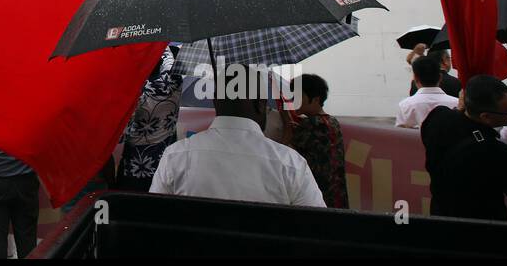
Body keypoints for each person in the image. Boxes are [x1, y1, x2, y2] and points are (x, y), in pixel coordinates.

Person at [150, 66, 325, 208]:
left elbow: (153, 218)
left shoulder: (174, 156)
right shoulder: (291, 164)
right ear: (260, 104)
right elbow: (317, 230)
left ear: (216, 102)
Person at [421, 74, 507, 221]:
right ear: (485, 116)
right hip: (482, 227)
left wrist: (460, 110)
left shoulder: (438, 118)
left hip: (440, 216)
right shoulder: (497, 151)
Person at [115, 45, 182, 191]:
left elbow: (120, 136)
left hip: (135, 169)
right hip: (168, 164)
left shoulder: (131, 78)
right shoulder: (175, 61)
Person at [282, 74, 348, 208]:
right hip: (338, 195)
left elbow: (283, 153)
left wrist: (287, 130)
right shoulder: (333, 122)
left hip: (316, 196)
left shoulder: (310, 124)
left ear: (316, 99)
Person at [395, 55, 458, 128]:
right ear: (440, 77)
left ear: (415, 78)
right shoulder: (456, 103)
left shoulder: (405, 106)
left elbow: (401, 135)